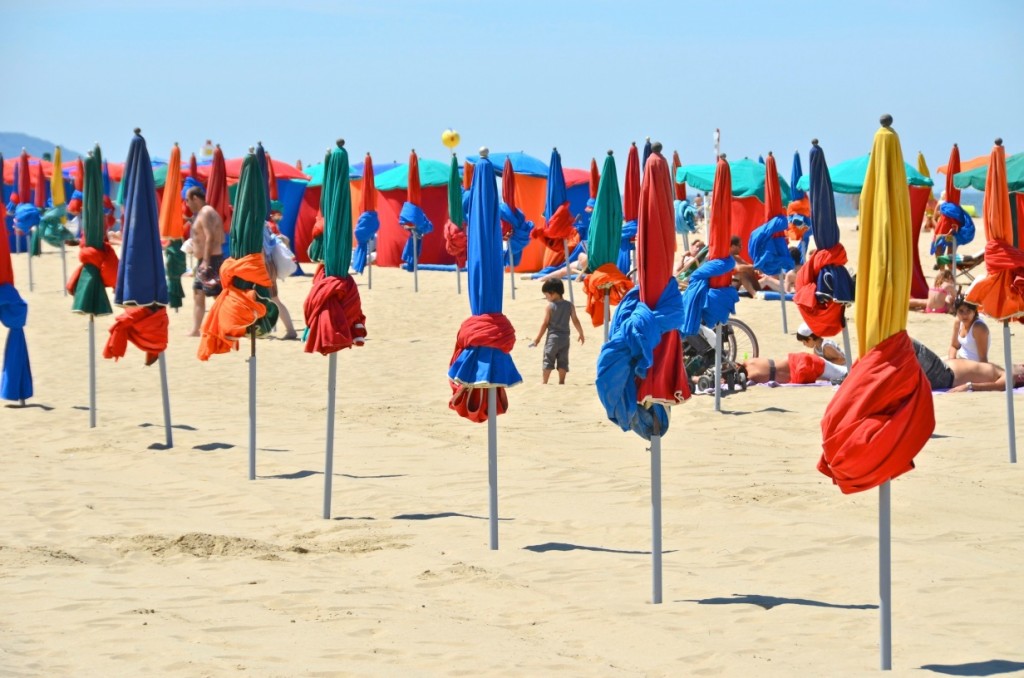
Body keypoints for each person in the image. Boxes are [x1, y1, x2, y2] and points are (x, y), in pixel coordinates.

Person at [184, 186, 224, 337]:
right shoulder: (201, 213)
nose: (186, 203)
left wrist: (206, 261)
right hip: (205, 259)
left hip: (211, 260)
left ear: (195, 198)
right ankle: (196, 329)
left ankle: (225, 327)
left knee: (216, 295)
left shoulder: (206, 212)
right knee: (198, 293)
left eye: (187, 200)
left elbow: (210, 237)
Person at [528, 279, 585, 384]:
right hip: (565, 339)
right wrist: (581, 333)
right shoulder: (569, 305)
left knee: (548, 359)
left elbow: (545, 324)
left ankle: (544, 381)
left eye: (546, 295)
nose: (546, 298)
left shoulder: (550, 307)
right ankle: (561, 381)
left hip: (552, 339)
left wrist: (537, 339)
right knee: (563, 361)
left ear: (552, 293)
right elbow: (575, 320)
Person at [913, 338, 1023, 391]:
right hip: (942, 372)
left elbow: (998, 386)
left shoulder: (1009, 377)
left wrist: (968, 386)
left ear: (1021, 377)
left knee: (908, 342)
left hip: (944, 375)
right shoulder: (1000, 370)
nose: (1021, 364)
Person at [263, 212, 297, 340]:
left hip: (263, 265)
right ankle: (290, 329)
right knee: (274, 299)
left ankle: (263, 329)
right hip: (270, 264)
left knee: (267, 299)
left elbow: (261, 249)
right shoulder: (265, 225)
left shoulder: (255, 225)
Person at [741, 353, 847, 385]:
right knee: (844, 372)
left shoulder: (752, 377)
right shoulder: (750, 361)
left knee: (840, 374)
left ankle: (833, 381)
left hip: (797, 377)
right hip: (797, 361)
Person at [948, 294, 989, 362]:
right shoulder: (958, 322)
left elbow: (983, 358)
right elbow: (954, 346)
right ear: (956, 311)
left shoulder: (978, 328)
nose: (964, 315)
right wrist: (951, 361)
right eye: (961, 311)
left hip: (974, 365)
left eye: (968, 310)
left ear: (974, 311)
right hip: (960, 359)